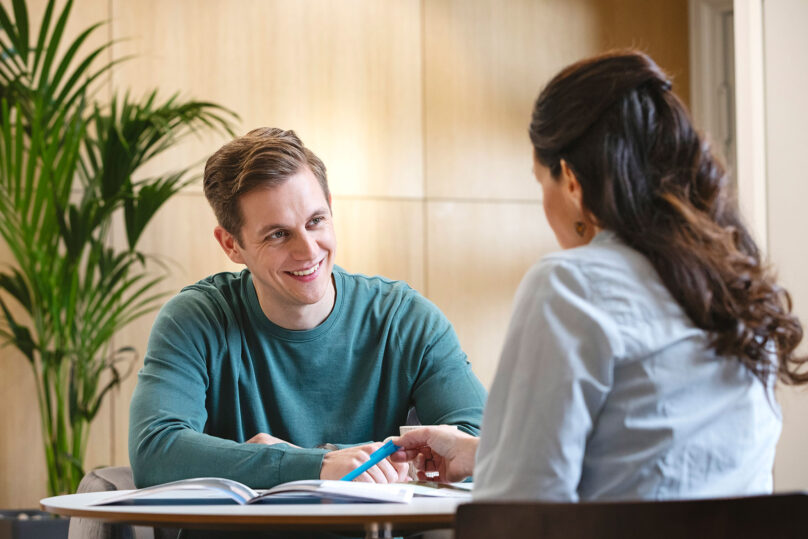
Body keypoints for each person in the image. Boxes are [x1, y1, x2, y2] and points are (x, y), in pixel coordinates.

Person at [392, 50, 808, 502]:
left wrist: (497, 471)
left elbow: (519, 509)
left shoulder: (570, 284)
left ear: (570, 180)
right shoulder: (736, 284)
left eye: (541, 183)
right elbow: (652, 456)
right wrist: (485, 453)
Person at [128, 127, 487, 490]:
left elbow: (485, 447)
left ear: (330, 207)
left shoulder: (406, 320)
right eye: (278, 235)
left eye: (316, 221)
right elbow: (155, 451)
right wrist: (319, 465)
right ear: (231, 245)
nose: (309, 250)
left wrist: (312, 459)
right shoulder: (194, 320)